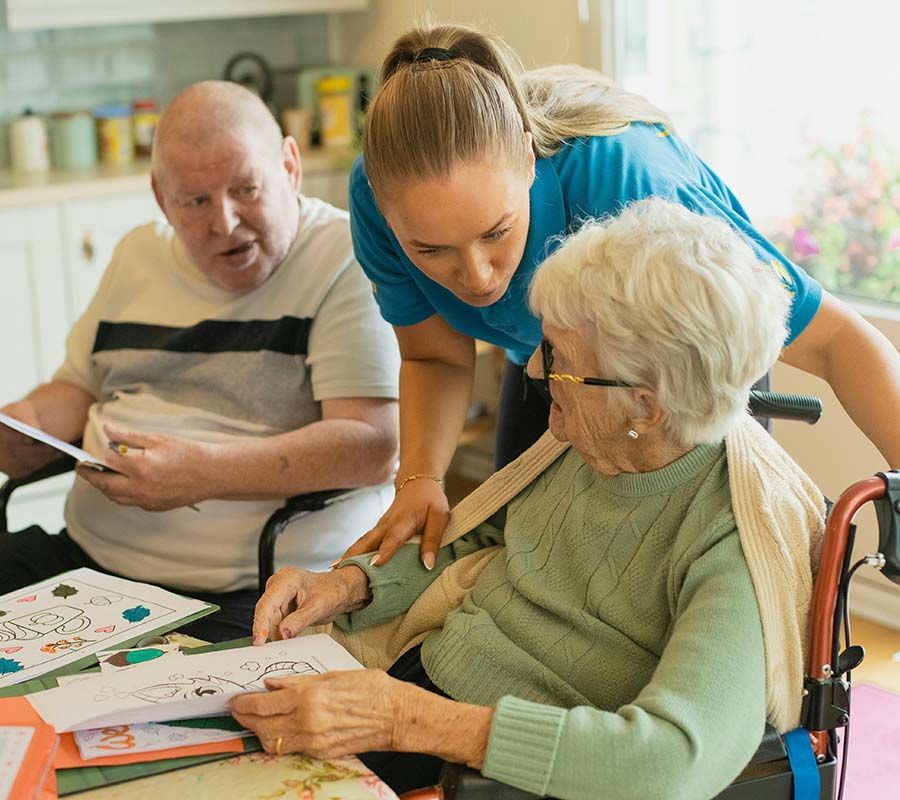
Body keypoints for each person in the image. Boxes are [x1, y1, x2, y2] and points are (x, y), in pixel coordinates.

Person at [231, 199, 826, 799]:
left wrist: (406, 718)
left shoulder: (738, 537)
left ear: (646, 405)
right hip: (422, 692)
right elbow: (483, 534)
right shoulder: (595, 441)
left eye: (561, 359)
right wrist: (350, 585)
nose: (537, 373)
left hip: (505, 771)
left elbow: (669, 762)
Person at [342, 22, 900, 570]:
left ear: (531, 159)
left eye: (497, 232)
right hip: (550, 357)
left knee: (681, 572)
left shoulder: (635, 189)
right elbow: (434, 355)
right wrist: (420, 480)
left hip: (689, 358)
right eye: (432, 250)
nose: (478, 278)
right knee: (525, 555)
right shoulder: (376, 196)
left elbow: (836, 341)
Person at [0, 81, 400, 642]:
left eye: (246, 188)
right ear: (162, 198)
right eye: (196, 201)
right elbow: (77, 387)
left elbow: (373, 446)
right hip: (84, 562)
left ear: (290, 166)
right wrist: (26, 425)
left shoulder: (345, 255)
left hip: (250, 590)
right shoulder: (138, 252)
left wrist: (203, 475)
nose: (226, 222)